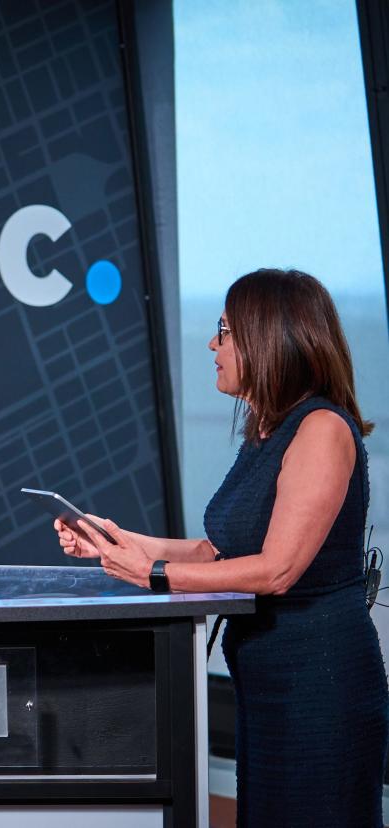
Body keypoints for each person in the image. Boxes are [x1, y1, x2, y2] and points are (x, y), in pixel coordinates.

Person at [54, 269, 387, 826]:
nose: (213, 344)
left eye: (225, 332)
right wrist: (116, 541)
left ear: (267, 339)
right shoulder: (268, 430)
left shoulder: (322, 430)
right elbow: (218, 550)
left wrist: (152, 575)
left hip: (320, 693)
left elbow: (277, 569)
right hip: (269, 686)